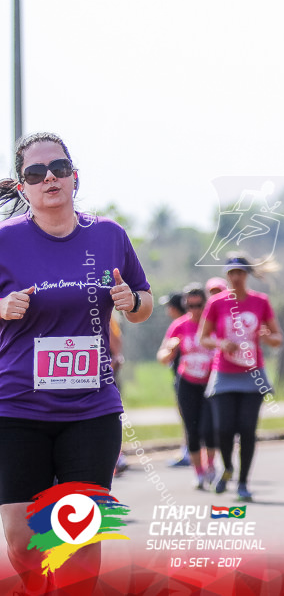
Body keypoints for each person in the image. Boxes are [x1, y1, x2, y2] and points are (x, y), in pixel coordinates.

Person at [0, 132, 153, 595]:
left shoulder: (108, 235)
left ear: (75, 177)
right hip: (17, 407)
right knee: (22, 539)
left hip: (91, 407)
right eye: (35, 173)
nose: (49, 178)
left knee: (81, 530)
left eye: (59, 169)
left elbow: (144, 302)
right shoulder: (5, 240)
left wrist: (133, 301)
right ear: (23, 186)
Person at [199, 254, 282, 502]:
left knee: (247, 430)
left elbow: (278, 338)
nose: (235, 278)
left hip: (252, 375)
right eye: (231, 273)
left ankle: (243, 482)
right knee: (223, 429)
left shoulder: (260, 302)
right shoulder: (216, 302)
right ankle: (227, 468)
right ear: (227, 275)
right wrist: (220, 343)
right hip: (224, 374)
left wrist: (267, 337)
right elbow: (203, 337)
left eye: (240, 273)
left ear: (246, 275)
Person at [158, 284, 218, 489]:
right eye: (190, 305)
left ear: (205, 304)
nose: (194, 310)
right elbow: (162, 357)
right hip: (187, 382)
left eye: (199, 305)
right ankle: (199, 473)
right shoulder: (178, 326)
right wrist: (171, 349)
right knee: (191, 430)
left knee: (208, 429)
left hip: (210, 383)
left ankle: (211, 466)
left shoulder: (213, 324)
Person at [158, 291, 192, 468]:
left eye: (169, 306)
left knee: (191, 417)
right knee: (186, 416)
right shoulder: (177, 326)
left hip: (192, 380)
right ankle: (188, 449)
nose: (167, 310)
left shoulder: (190, 325)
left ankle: (191, 452)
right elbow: (163, 355)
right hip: (180, 379)